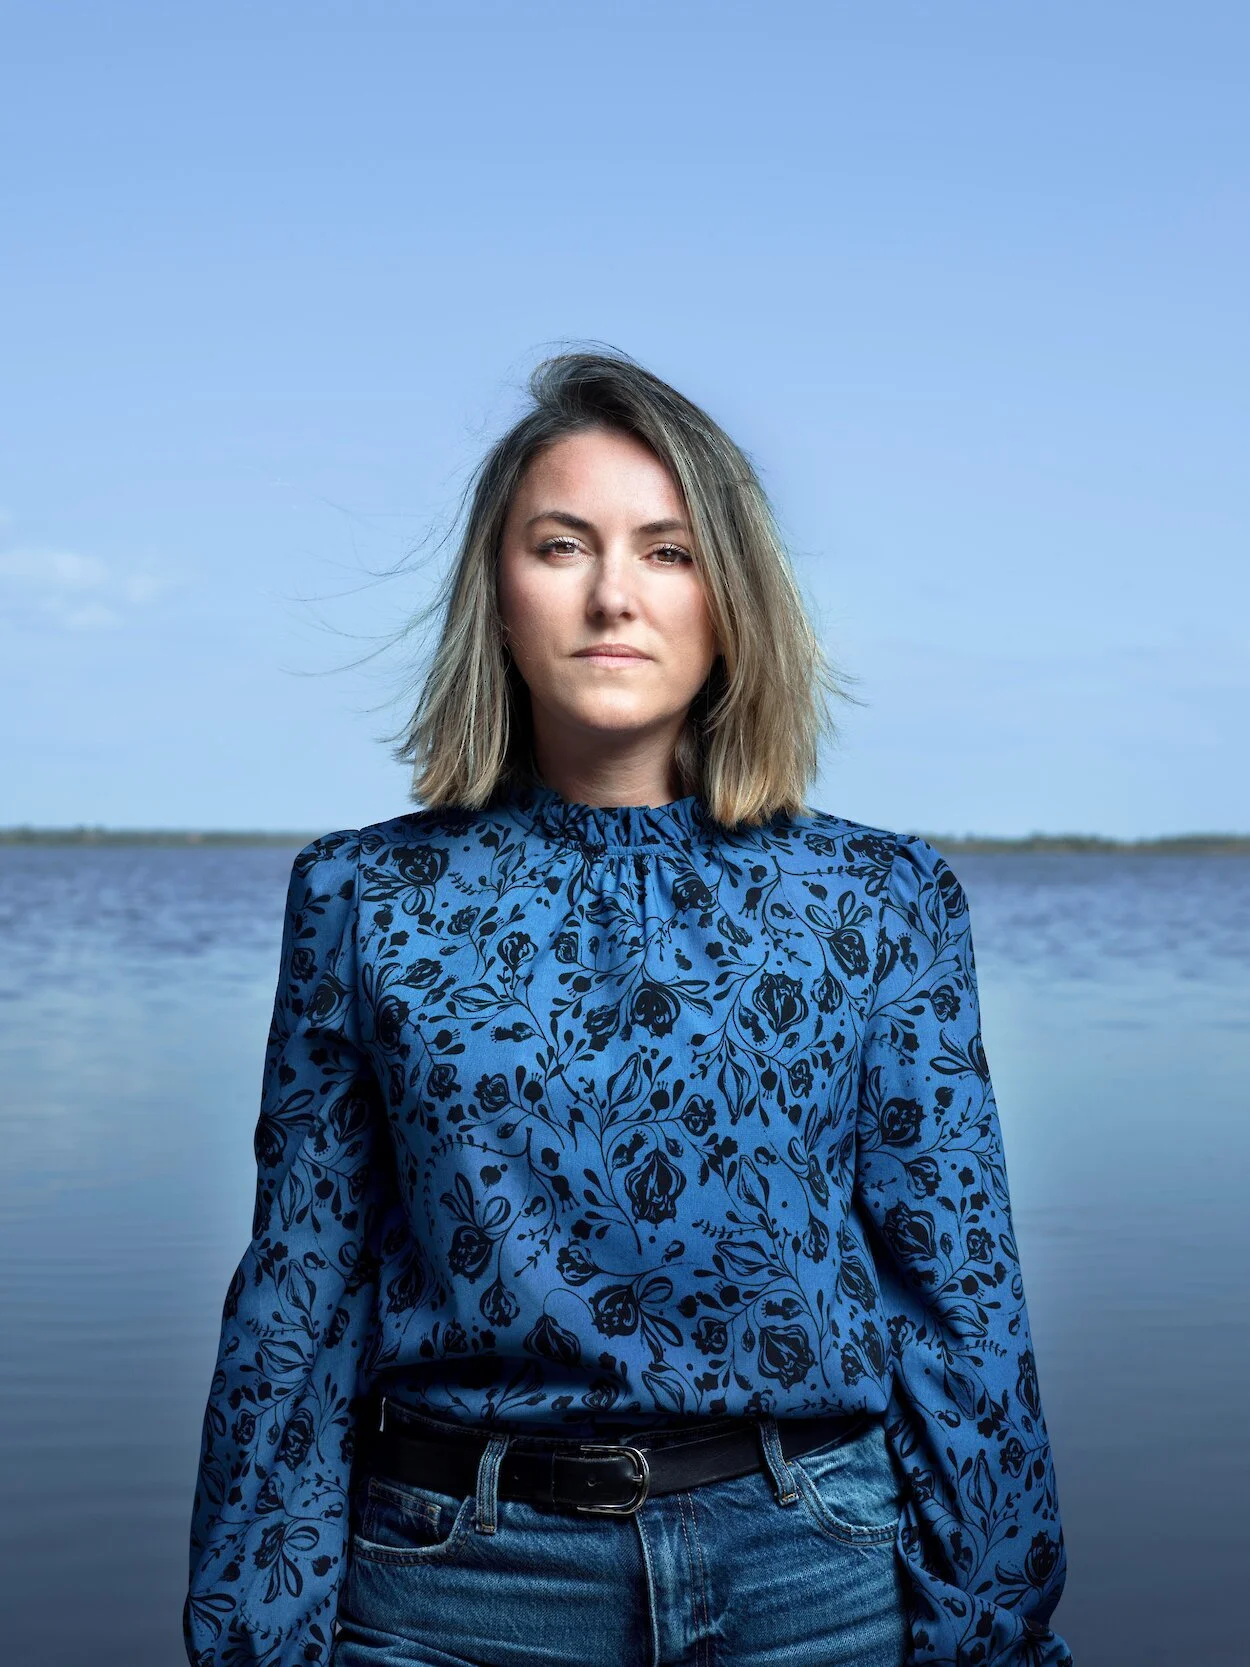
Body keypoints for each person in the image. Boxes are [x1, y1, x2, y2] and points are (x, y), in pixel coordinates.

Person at [184, 350, 1071, 1667]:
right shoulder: (364, 895)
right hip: (449, 1586)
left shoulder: (880, 895)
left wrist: (991, 1635)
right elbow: (297, 1301)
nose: (612, 593)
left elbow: (959, 1298)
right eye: (561, 545)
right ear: (495, 592)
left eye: (666, 550)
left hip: (813, 1576)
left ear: (733, 597)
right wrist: (253, 1639)